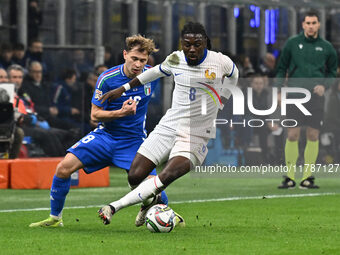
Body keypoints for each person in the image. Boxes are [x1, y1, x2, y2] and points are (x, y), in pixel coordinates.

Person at [97, 22, 238, 226]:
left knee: (166, 175)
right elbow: (153, 72)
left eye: (196, 44)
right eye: (186, 44)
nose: (191, 49)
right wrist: (124, 87)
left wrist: (223, 99)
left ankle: (113, 207)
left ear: (205, 43)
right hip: (169, 126)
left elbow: (235, 75)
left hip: (196, 134)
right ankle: (152, 204)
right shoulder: (175, 58)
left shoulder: (220, 61)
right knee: (135, 175)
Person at [29, 35, 170, 228]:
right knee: (63, 168)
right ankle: (55, 218)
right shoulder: (107, 79)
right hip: (105, 137)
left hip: (134, 141)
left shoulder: (152, 75)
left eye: (142, 60)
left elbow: (177, 67)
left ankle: (170, 218)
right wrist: (120, 112)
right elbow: (94, 116)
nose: (138, 64)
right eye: (134, 59)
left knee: (157, 188)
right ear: (125, 54)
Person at [276, 11, 337, 189]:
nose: (311, 26)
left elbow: (333, 71)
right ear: (302, 25)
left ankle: (307, 177)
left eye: (314, 23)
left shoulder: (326, 47)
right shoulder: (292, 44)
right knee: (292, 134)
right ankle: (289, 177)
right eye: (308, 23)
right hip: (295, 96)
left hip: (315, 98)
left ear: (319, 25)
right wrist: (278, 91)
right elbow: (281, 68)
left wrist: (324, 85)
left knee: (313, 135)